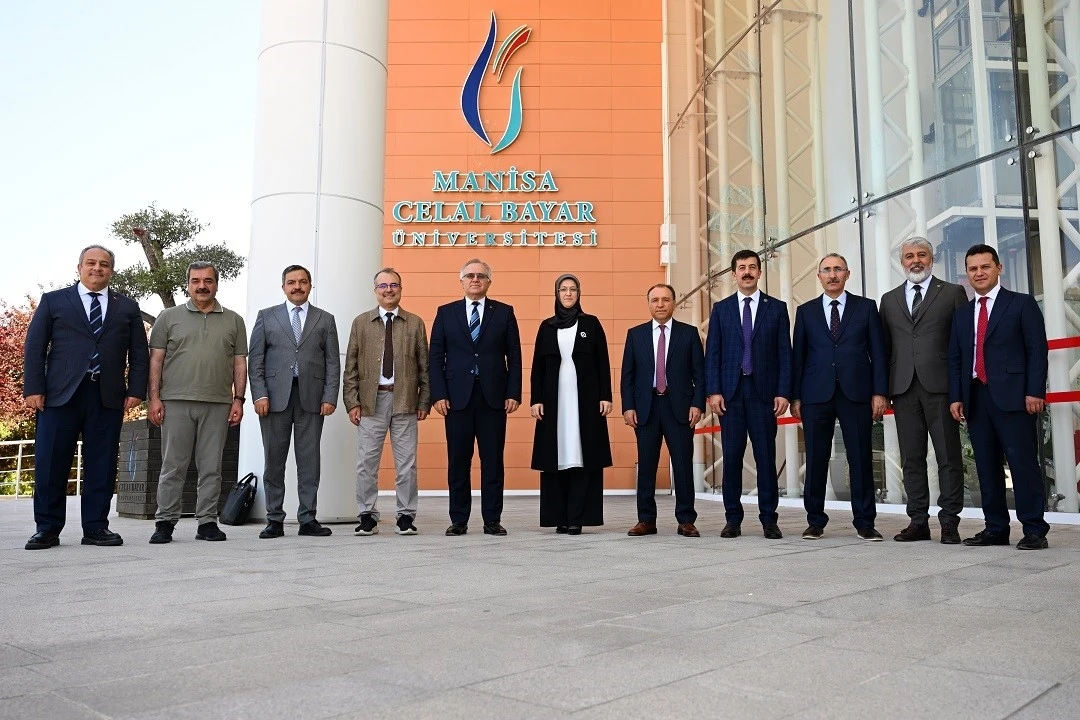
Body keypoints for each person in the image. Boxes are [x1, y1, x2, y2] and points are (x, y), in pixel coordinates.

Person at [22, 245, 149, 550]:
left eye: (104, 264)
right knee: (50, 463)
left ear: (111, 271)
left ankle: (95, 527)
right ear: (79, 267)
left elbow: (139, 353)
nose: (97, 268)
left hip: (106, 396)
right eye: (91, 263)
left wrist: (136, 390)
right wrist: (33, 388)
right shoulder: (54, 301)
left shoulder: (127, 307)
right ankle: (47, 529)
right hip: (58, 396)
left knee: (102, 465)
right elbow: (35, 346)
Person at [948, 244, 1049, 550]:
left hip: (1015, 397)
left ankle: (1034, 529)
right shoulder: (962, 315)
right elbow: (956, 359)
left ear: (998, 268)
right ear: (967, 274)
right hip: (976, 398)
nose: (979, 273)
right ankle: (995, 528)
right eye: (973, 269)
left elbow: (1037, 350)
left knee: (1022, 464)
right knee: (986, 466)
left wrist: (1034, 391)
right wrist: (956, 396)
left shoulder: (1021, 304)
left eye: (985, 267)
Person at [147, 261, 247, 543]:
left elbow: (240, 363)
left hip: (218, 403)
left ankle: (207, 522)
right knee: (173, 465)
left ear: (217, 284)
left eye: (208, 280)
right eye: (196, 281)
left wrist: (238, 399)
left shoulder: (234, 320)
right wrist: (154, 398)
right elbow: (156, 361)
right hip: (175, 401)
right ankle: (165, 522)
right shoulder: (168, 317)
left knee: (212, 467)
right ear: (188, 285)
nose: (202, 286)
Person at [791, 254, 888, 541]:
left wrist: (879, 392)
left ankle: (865, 522)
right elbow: (799, 357)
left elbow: (878, 353)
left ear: (847, 274)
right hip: (815, 394)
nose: (832, 275)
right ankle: (815, 521)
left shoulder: (866, 307)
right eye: (827, 270)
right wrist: (796, 397)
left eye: (838, 269)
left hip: (856, 392)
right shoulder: (805, 311)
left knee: (860, 457)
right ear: (819, 276)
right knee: (816, 458)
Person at [879, 237, 969, 544]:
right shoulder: (889, 300)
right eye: (909, 256)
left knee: (948, 456)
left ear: (932, 259)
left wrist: (960, 391)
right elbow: (884, 348)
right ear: (901, 262)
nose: (915, 260)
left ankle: (949, 522)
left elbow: (962, 343)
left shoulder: (952, 293)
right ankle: (918, 521)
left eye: (922, 255)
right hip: (903, 388)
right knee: (911, 457)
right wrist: (883, 390)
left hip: (941, 388)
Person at [429, 258, 522, 536]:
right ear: (462, 281)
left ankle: (492, 519)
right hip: (456, 399)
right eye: (470, 275)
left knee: (493, 461)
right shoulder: (446, 313)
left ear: (489, 281)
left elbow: (514, 356)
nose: (475, 279)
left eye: (481, 275)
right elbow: (436, 357)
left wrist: (513, 392)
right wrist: (439, 394)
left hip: (494, 397)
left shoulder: (504, 312)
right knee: (458, 461)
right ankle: (459, 519)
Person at [248, 264, 339, 539]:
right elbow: (256, 360)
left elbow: (333, 363)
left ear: (310, 285)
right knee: (274, 461)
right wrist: (260, 394)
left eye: (302, 282)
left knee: (309, 462)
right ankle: (274, 519)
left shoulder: (325, 319)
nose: (297, 286)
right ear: (283, 287)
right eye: (291, 282)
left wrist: (330, 396)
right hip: (273, 399)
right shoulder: (267, 316)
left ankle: (308, 518)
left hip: (312, 398)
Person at [705, 250, 791, 539]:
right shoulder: (722, 309)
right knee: (731, 458)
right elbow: (713, 353)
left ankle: (769, 520)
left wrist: (783, 392)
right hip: (730, 396)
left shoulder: (776, 308)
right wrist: (713, 391)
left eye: (752, 267)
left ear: (760, 272)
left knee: (766, 458)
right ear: (733, 274)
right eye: (741, 268)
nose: (747, 272)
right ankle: (733, 520)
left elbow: (785, 354)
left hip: (764, 395)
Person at [344, 268, 430, 536]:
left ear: (401, 289)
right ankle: (367, 515)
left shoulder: (415, 323)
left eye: (394, 285)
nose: (388, 290)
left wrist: (424, 401)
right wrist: (352, 402)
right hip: (371, 402)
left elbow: (425, 366)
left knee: (407, 464)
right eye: (383, 286)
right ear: (375, 291)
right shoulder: (361, 323)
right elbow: (351, 367)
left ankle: (405, 515)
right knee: (366, 462)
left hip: (406, 400)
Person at [529, 274, 612, 535]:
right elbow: (537, 367)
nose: (568, 293)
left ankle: (578, 518)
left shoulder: (591, 323)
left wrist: (605, 396)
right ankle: (559, 518)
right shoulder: (546, 327)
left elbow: (602, 362)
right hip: (554, 404)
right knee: (556, 457)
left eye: (572, 289)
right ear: (556, 294)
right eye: (563, 289)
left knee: (582, 456)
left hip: (585, 403)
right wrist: (536, 399)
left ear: (578, 293)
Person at [621, 284, 705, 537]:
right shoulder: (635, 335)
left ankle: (686, 520)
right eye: (655, 300)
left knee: (682, 465)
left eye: (665, 299)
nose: (660, 304)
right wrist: (628, 407)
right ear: (648, 304)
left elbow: (700, 374)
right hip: (645, 409)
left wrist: (697, 404)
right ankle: (646, 520)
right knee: (647, 465)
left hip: (679, 408)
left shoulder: (689, 333)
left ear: (674, 303)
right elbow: (627, 376)